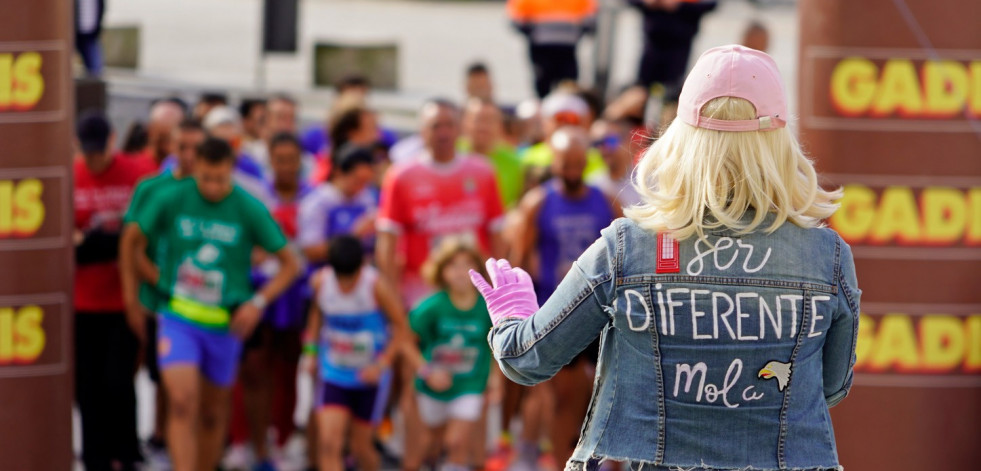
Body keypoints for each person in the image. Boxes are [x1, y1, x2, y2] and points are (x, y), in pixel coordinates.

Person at [470, 45, 859, 471]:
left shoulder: (628, 246)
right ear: (780, 144)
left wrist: (511, 316)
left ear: (682, 139)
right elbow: (832, 386)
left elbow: (528, 359)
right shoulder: (827, 255)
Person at [129, 137, 299, 471]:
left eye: (220, 179)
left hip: (225, 324)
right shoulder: (173, 197)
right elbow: (132, 239)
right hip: (178, 316)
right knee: (181, 402)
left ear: (232, 172)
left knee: (211, 413)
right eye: (205, 177)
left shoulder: (248, 206)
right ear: (196, 170)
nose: (212, 186)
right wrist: (153, 278)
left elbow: (290, 263)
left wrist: (258, 303)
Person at [376, 99, 506, 471]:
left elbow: (498, 239)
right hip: (421, 298)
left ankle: (470, 461)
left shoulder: (482, 173)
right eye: (435, 126)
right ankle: (416, 460)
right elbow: (387, 246)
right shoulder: (401, 175)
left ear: (460, 127)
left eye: (450, 124)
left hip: (473, 298)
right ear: (422, 131)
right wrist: (391, 303)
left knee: (476, 378)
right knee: (413, 379)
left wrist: (499, 297)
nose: (444, 132)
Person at [509, 126, 620, 469]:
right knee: (561, 400)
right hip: (557, 311)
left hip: (601, 310)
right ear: (553, 162)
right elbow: (520, 260)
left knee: (607, 396)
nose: (572, 172)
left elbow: (623, 251)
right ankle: (558, 461)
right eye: (565, 164)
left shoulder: (604, 200)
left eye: (578, 164)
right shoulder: (538, 202)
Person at [120, 119, 207, 464]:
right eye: (180, 146)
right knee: (158, 377)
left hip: (202, 305)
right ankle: (154, 441)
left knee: (188, 387)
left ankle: (183, 446)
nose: (187, 155)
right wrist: (137, 293)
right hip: (159, 300)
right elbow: (131, 246)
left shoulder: (214, 192)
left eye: (195, 148)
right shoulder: (152, 189)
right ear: (169, 146)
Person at [73, 110, 152, 471]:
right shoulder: (72, 176)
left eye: (99, 150)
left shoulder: (138, 173)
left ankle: (126, 450)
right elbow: (67, 237)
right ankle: (95, 457)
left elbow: (147, 233)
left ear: (113, 140)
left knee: (119, 381)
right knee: (88, 385)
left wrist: (110, 244)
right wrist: (95, 242)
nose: (94, 159)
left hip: (124, 297)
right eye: (87, 152)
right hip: (85, 298)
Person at [236, 133, 313, 471]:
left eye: (291, 159)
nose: (285, 166)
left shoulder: (313, 196)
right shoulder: (257, 194)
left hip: (298, 294)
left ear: (300, 161)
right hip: (261, 289)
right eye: (278, 159)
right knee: (255, 367)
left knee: (290, 366)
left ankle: (283, 439)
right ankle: (254, 442)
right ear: (269, 160)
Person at [305, 235, 407, 471]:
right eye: (341, 278)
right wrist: (310, 352)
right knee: (329, 444)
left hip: (368, 377)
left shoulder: (376, 285)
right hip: (334, 373)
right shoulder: (321, 282)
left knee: (361, 448)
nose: (346, 285)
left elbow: (402, 328)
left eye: (352, 277)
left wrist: (382, 364)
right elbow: (316, 316)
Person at [407, 238, 499, 471]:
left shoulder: (488, 307)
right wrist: (426, 371)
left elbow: (498, 346)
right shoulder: (431, 307)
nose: (460, 272)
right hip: (433, 387)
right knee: (431, 444)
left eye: (467, 264)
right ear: (442, 271)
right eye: (453, 266)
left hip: (470, 385)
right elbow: (404, 341)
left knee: (455, 443)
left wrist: (496, 380)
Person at [299, 144, 379, 265]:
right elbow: (310, 251)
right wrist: (354, 236)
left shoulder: (367, 198)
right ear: (338, 171)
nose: (361, 187)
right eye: (357, 180)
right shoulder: (317, 202)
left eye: (366, 182)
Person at [506, 0, 597, 98]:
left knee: (569, 84)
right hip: (541, 48)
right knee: (543, 81)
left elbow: (591, 19)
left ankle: (565, 107)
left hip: (567, 48)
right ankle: (544, 107)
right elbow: (516, 19)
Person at [520, 91, 607, 183]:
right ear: (545, 123)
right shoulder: (528, 157)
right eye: (560, 118)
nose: (565, 124)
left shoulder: (598, 160)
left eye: (573, 119)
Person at [460, 98, 524, 209]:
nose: (483, 126)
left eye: (490, 121)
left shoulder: (515, 163)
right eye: (478, 119)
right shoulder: (450, 155)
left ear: (500, 126)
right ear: (465, 123)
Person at [588, 119, 641, 207]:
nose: (604, 149)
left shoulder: (648, 183)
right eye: (597, 143)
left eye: (610, 141)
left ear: (628, 141)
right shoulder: (593, 185)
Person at [75, 0, 105, 76]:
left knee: (95, 69)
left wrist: (98, 29)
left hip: (91, 34)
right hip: (73, 32)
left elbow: (101, 8)